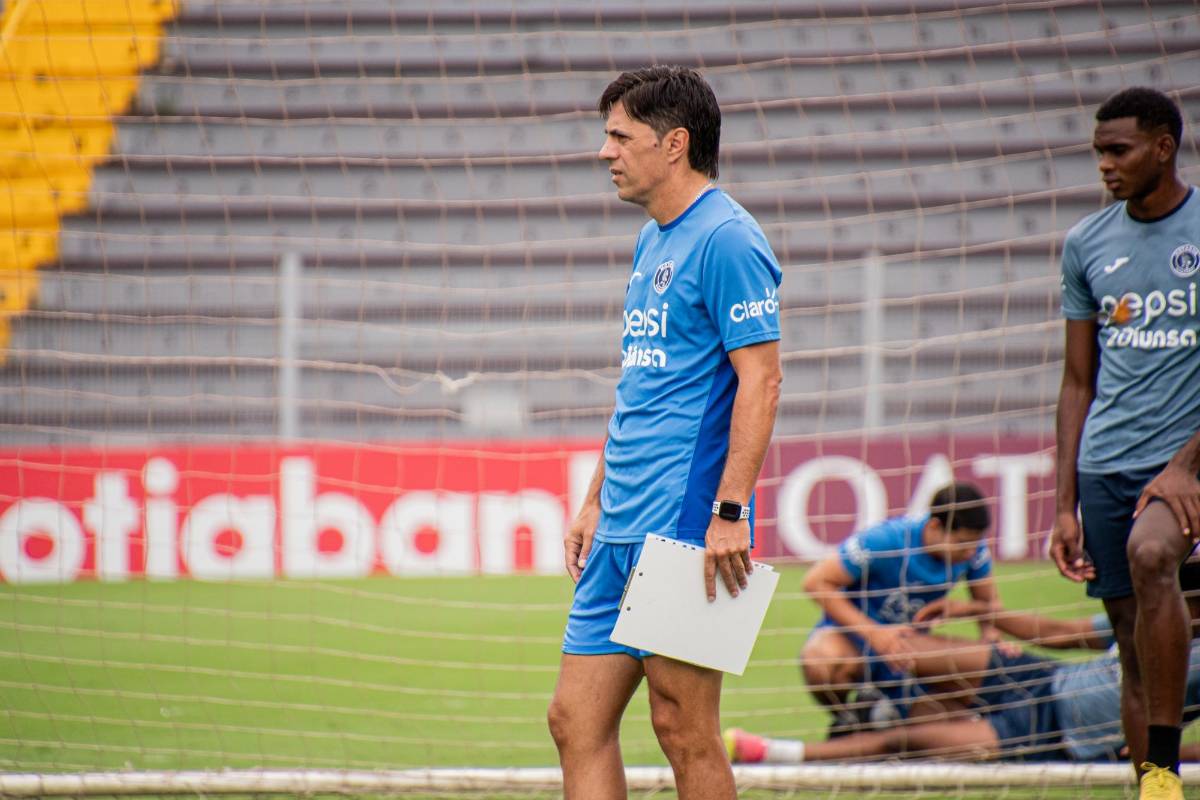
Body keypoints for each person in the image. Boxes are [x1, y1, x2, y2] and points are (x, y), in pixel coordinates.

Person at [546, 66, 783, 800]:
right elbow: (639, 389)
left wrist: (731, 511)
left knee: (683, 727)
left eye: (619, 136)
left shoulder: (729, 239)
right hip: (620, 522)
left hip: (683, 525)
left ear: (673, 144)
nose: (604, 151)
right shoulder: (654, 240)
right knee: (573, 719)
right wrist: (593, 499)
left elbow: (762, 380)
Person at [1050, 86, 1200, 799]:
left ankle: (1167, 769)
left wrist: (1185, 464)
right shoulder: (1086, 243)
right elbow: (1078, 381)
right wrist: (1063, 504)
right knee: (1129, 647)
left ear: (1163, 148)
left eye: (1120, 150)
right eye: (1098, 153)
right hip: (1105, 462)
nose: (1105, 166)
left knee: (1152, 556)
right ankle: (1152, 787)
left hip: (1182, 461)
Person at [727, 604, 1200, 765]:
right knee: (908, 647)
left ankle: (776, 752)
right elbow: (1063, 633)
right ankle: (873, 705)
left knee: (905, 743)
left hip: (1056, 732)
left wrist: (1157, 751)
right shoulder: (1156, 610)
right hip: (1041, 674)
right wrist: (978, 612)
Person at [800, 481, 1001, 732]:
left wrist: (992, 639)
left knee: (965, 727)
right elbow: (816, 582)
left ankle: (881, 718)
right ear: (935, 526)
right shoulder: (885, 540)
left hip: (910, 651)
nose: (971, 552)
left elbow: (988, 606)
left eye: (975, 543)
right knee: (821, 660)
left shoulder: (973, 552)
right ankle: (849, 722)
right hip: (855, 641)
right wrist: (874, 633)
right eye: (962, 543)